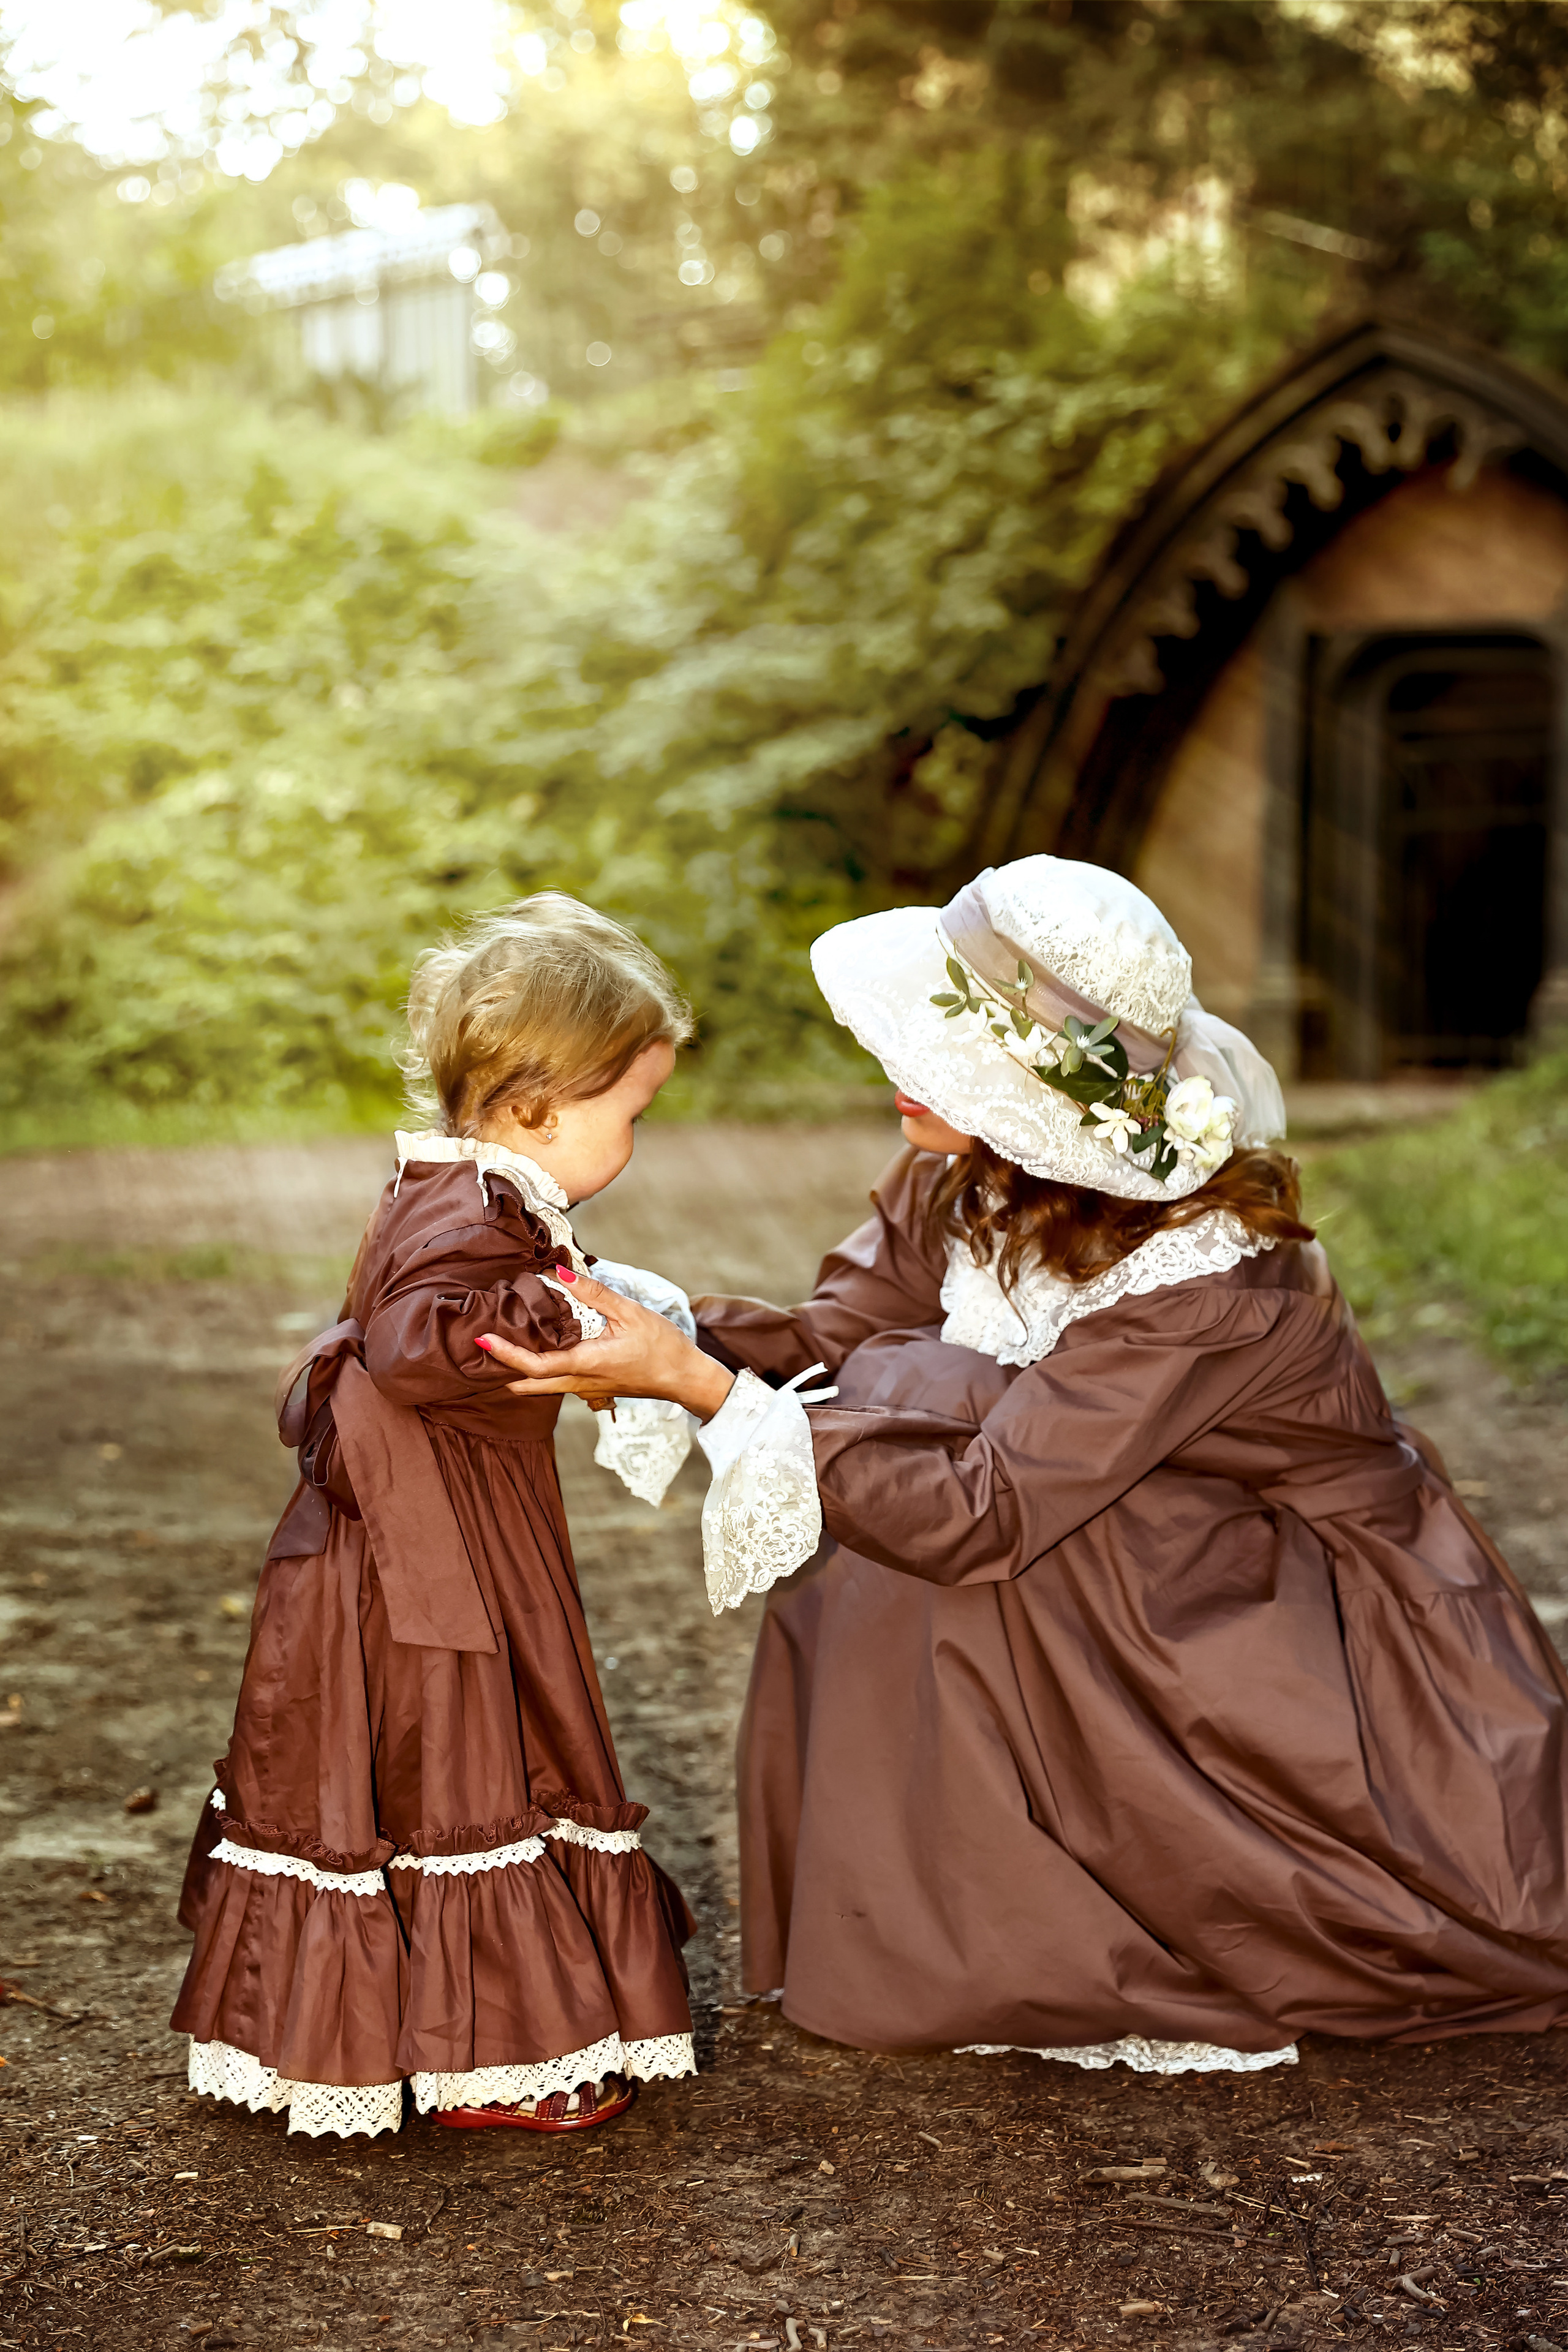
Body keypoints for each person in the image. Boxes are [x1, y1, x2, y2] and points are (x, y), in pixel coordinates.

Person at [484, 856, 1568, 2078]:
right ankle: (949, 1895)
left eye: (936, 1045)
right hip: (1123, 1547)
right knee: (898, 1398)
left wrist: (700, 1390)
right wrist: (643, 1319)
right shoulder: (964, 1170)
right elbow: (834, 1338)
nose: (896, 1066)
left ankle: (1085, 1894)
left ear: (1024, 1084)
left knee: (919, 1415)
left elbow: (982, 1509)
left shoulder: (1207, 1275)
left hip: (1297, 1633)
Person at [173, 895, 710, 2138]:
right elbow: (420, 1340)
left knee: (464, 1752)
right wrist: (558, 1316)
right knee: (463, 1754)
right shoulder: (468, 1212)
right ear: (538, 1104)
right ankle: (492, 2054)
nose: (636, 1138)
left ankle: (455, 2024)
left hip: (462, 1530)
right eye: (629, 1111)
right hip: (430, 1553)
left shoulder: (472, 1192)